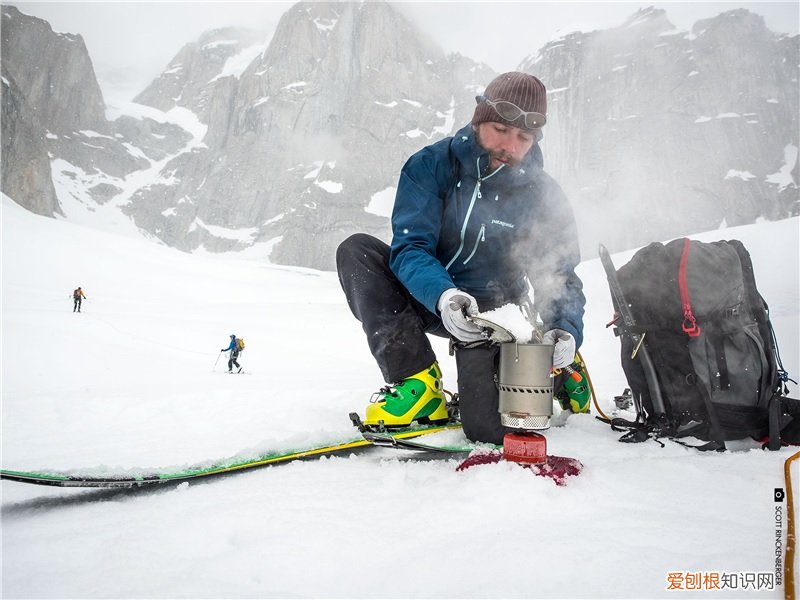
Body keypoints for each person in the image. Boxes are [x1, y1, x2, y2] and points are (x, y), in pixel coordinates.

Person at [336, 72, 585, 444]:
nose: (510, 146)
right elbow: (411, 249)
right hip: (434, 299)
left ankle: (560, 370)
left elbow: (560, 274)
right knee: (358, 252)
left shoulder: (542, 194)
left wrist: (566, 328)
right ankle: (418, 385)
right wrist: (443, 295)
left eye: (523, 137)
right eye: (501, 129)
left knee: (486, 426)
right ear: (478, 119)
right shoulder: (431, 166)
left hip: (501, 314)